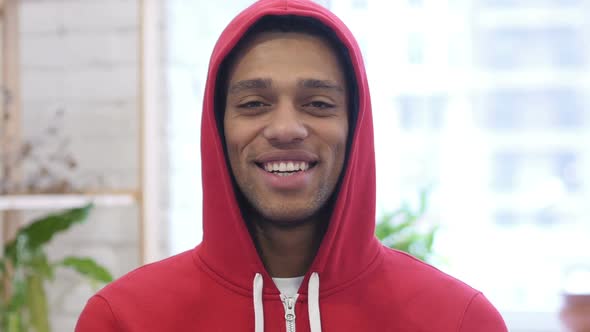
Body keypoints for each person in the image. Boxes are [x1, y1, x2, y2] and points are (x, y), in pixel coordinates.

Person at [76, 1, 507, 331]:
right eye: (254, 104)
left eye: (318, 104)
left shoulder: (458, 320)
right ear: (217, 125)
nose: (285, 128)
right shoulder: (123, 320)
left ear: (355, 125)